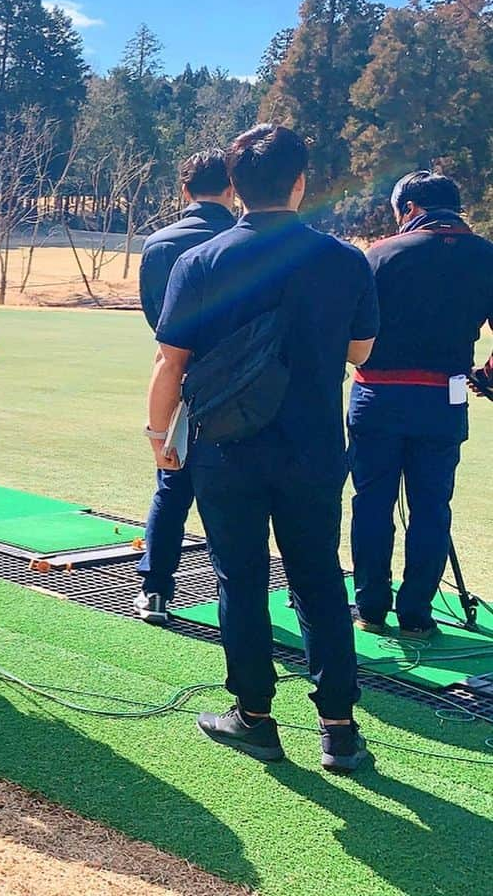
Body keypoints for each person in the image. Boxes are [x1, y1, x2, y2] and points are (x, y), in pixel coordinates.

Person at [148, 124, 378, 772]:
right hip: (313, 445)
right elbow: (362, 354)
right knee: (319, 580)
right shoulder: (344, 260)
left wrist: (158, 438)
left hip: (225, 446)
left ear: (236, 186)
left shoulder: (201, 261)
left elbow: (170, 364)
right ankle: (338, 726)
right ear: (301, 182)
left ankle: (253, 715)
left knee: (239, 578)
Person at [349, 172, 493, 639]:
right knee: (432, 507)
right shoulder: (486, 257)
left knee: (373, 504)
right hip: (443, 398)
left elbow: (351, 333)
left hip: (378, 396)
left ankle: (370, 607)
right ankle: (416, 614)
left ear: (409, 209)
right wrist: (486, 377)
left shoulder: (380, 255)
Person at [135, 149, 235, 623]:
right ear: (232, 187)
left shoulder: (159, 244)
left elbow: (158, 322)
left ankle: (155, 590)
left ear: (184, 189)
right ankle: (232, 593)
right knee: (234, 491)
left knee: (172, 483)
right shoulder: (244, 239)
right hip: (240, 383)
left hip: (181, 377)